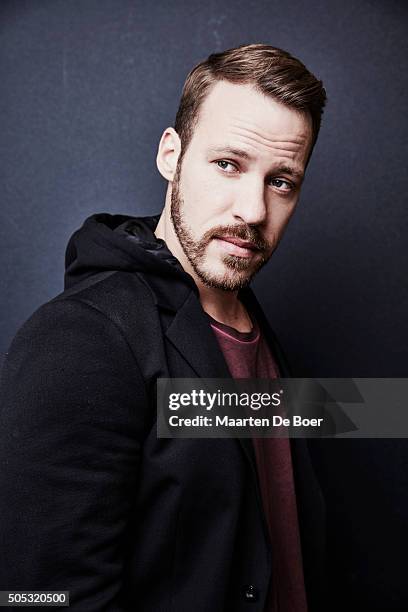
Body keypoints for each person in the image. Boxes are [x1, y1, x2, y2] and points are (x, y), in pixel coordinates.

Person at [0, 44, 327, 611]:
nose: (252, 210)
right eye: (227, 164)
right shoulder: (82, 340)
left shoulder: (250, 324)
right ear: (170, 155)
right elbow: (37, 596)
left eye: (282, 182)